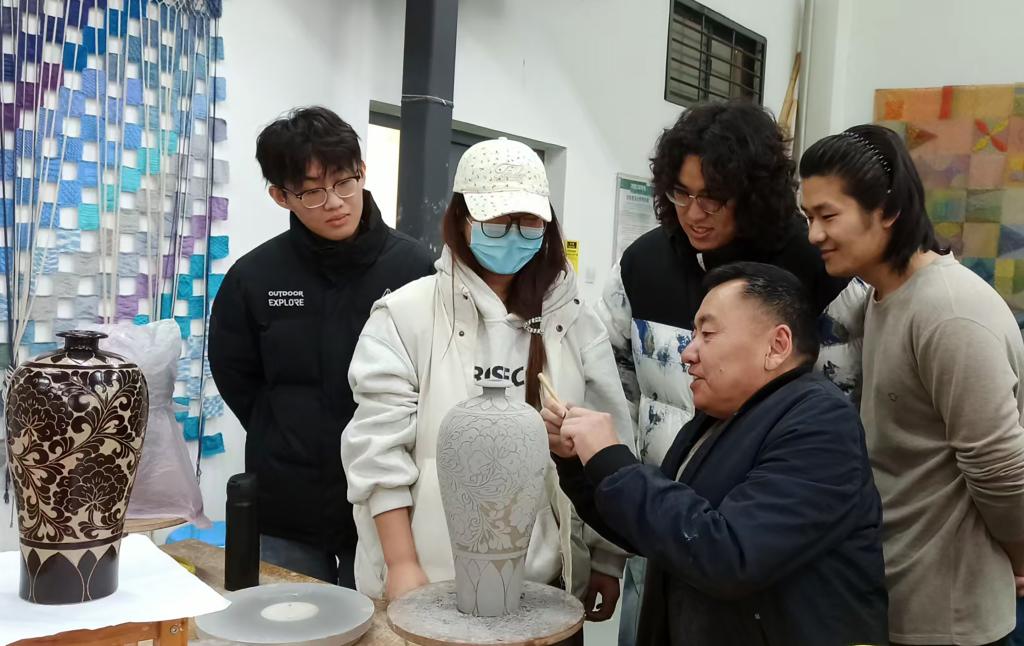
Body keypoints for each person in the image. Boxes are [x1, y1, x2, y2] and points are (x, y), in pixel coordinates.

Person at [596, 99, 864, 644]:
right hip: (657, 527)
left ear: (753, 192)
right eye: (682, 194)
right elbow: (619, 397)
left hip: (768, 549)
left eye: (713, 198)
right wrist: (608, 547)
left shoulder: (819, 269)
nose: (695, 213)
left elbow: (842, 409)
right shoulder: (640, 266)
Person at [340, 138, 634, 631]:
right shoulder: (406, 316)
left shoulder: (574, 322)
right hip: (427, 582)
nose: (513, 236)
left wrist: (606, 558)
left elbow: (611, 441)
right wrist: (401, 564)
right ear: (461, 218)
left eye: (529, 223)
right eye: (496, 222)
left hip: (545, 588)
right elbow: (376, 453)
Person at [545, 261, 888, 646]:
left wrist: (613, 462)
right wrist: (579, 463)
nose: (687, 353)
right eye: (693, 334)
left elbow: (730, 556)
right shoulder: (717, 419)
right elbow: (655, 532)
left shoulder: (820, 423)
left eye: (707, 334)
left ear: (777, 346)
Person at [800, 124, 1024, 646]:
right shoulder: (880, 298)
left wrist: (1018, 556)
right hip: (891, 595)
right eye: (808, 217)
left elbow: (1000, 467)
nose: (813, 235)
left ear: (888, 210)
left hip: (950, 618)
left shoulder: (949, 312)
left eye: (828, 216)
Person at [208, 106, 434, 588]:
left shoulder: (415, 269)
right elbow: (235, 374)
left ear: (362, 172)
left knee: (377, 625)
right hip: (286, 505)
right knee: (287, 622)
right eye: (311, 192)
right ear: (280, 196)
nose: (334, 203)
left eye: (344, 183)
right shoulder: (255, 277)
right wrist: (282, 431)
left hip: (387, 505)